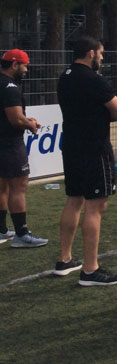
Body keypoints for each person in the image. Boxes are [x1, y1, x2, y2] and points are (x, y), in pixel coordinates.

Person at [55, 36, 117, 284]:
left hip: (72, 144)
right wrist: (113, 115)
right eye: (100, 53)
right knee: (95, 205)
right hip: (94, 147)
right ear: (90, 53)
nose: (102, 58)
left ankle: (65, 259)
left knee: (74, 199)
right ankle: (90, 268)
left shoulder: (64, 77)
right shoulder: (95, 81)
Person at [0, 49, 47, 247]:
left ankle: (2, 229)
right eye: (25, 65)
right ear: (14, 65)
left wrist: (25, 120)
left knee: (2, 185)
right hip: (10, 143)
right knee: (18, 186)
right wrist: (30, 123)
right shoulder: (10, 87)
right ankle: (21, 233)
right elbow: (15, 119)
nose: (26, 70)